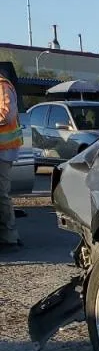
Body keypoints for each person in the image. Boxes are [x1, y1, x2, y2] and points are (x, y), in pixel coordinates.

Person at [0, 69, 22, 251]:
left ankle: (9, 237)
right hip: (3, 150)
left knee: (2, 194)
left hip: (3, 151)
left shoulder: (2, 86)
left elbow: (5, 114)